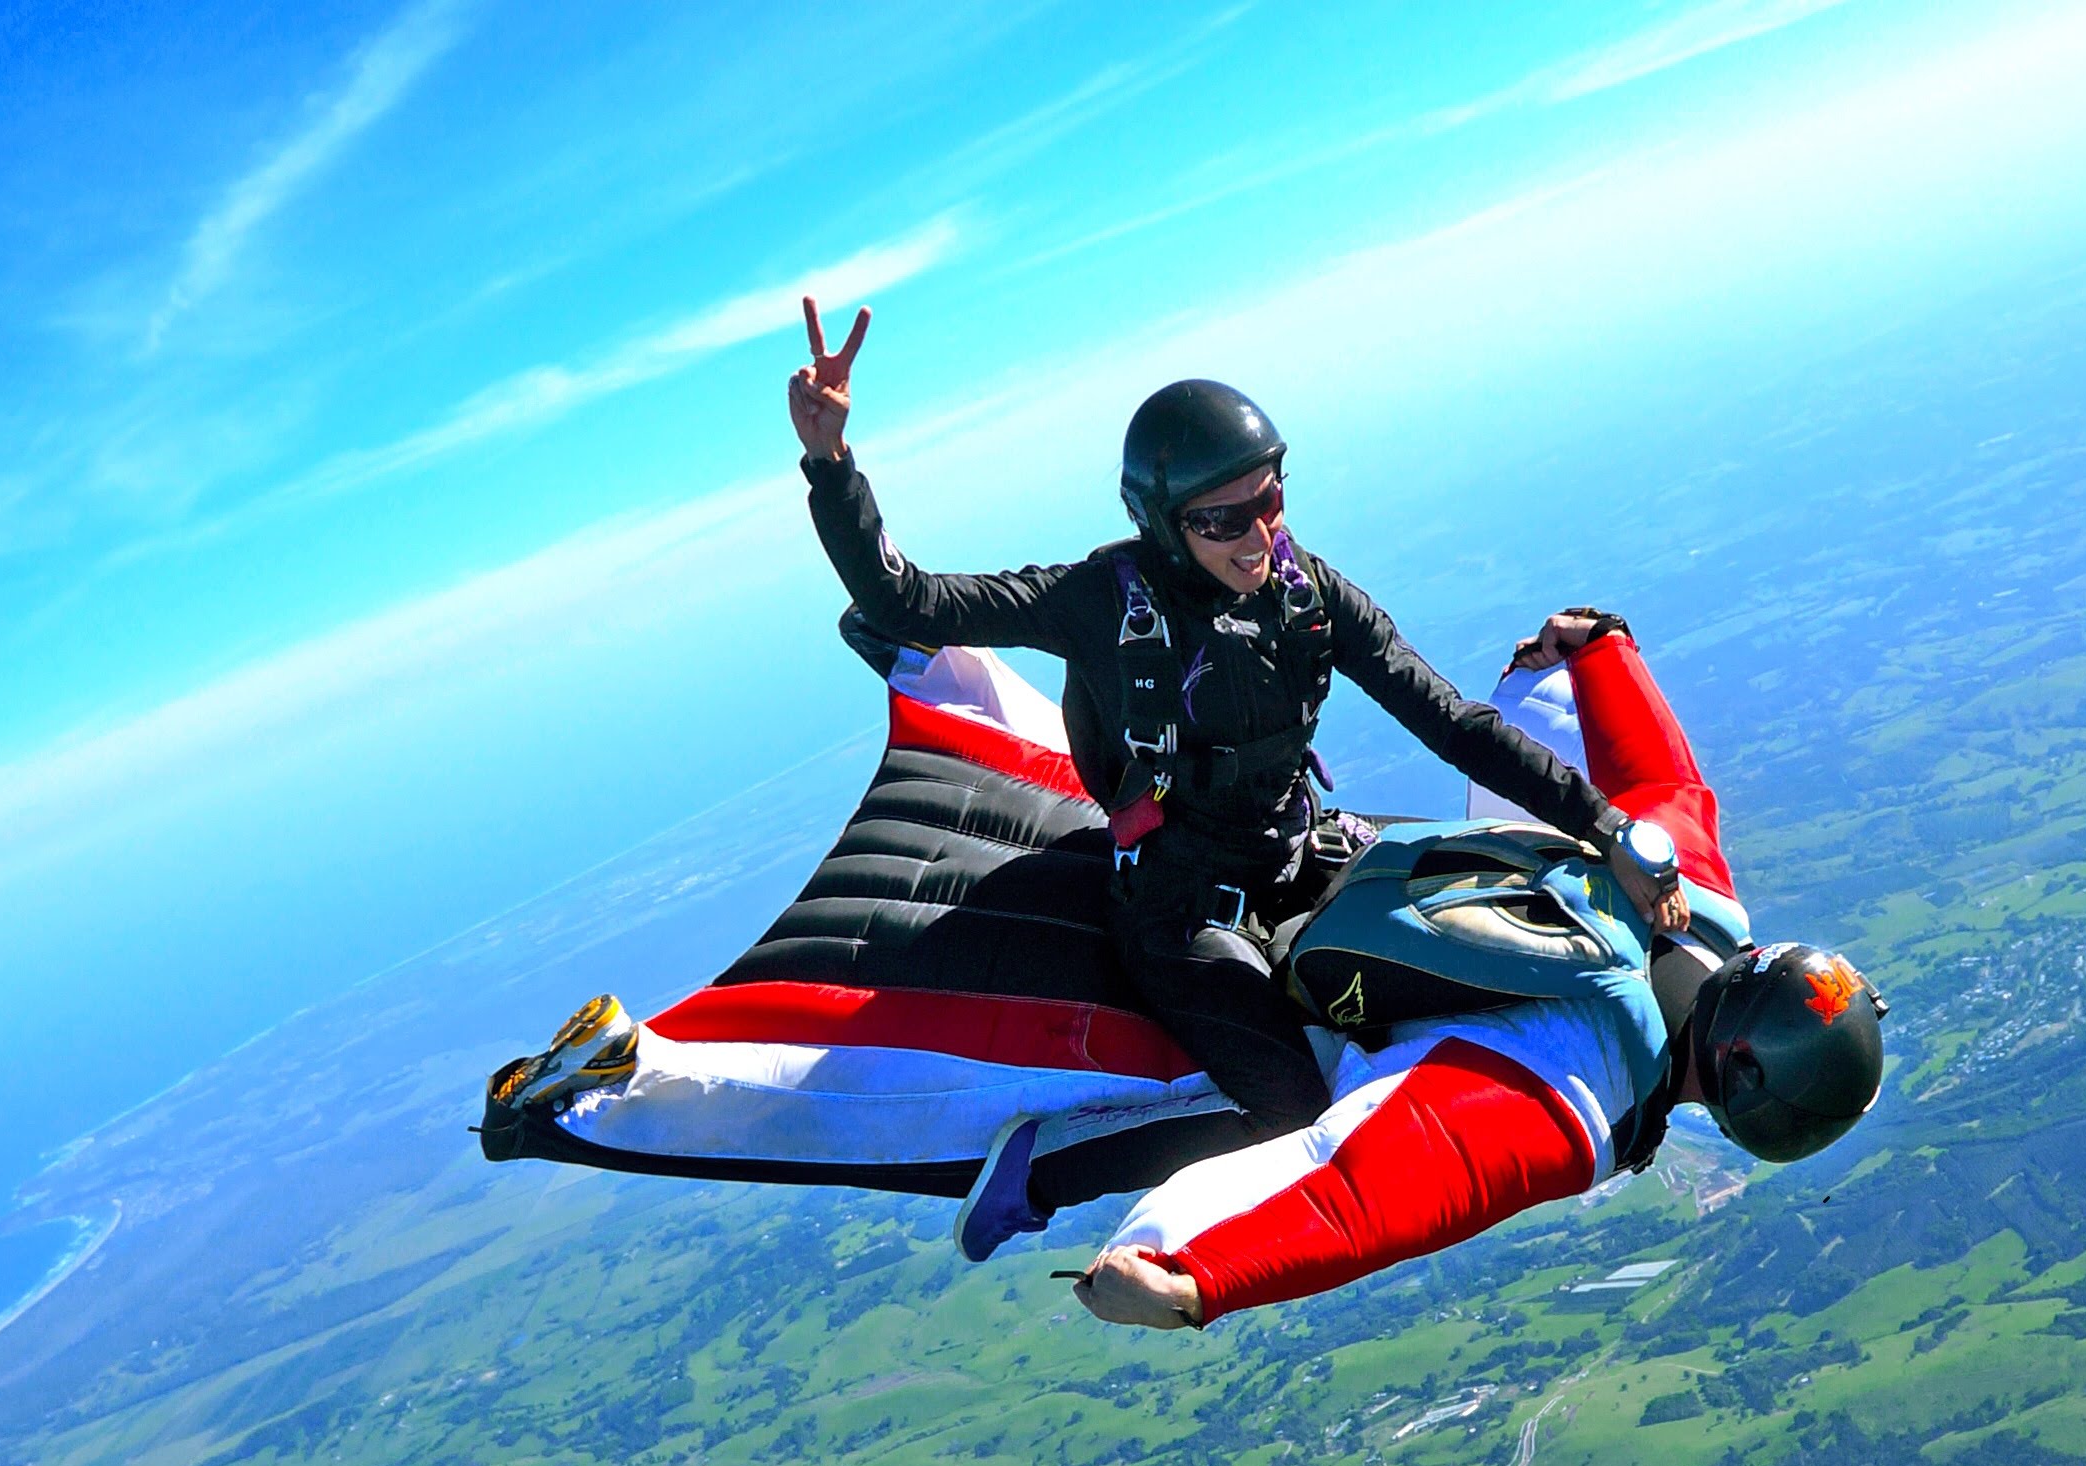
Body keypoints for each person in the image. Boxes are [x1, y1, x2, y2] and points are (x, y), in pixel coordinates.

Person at [787, 302, 1680, 1253]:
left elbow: (1451, 722)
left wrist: (1608, 828)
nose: (1258, 535)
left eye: (1270, 499)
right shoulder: (1100, 602)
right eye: (1222, 518)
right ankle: (1047, 1164)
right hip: (1175, 905)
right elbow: (908, 600)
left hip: (1301, 850)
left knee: (1499, 919)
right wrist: (831, 463)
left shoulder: (1308, 596)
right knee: (1294, 1113)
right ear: (1163, 523)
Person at [1063, 611, 1886, 1330]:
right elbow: (1373, 1198)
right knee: (1263, 1105)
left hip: (1343, 851)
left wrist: (1601, 648)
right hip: (1255, 962)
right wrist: (1196, 1282)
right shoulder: (1582, 1093)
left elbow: (1662, 779)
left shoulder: (1693, 895)